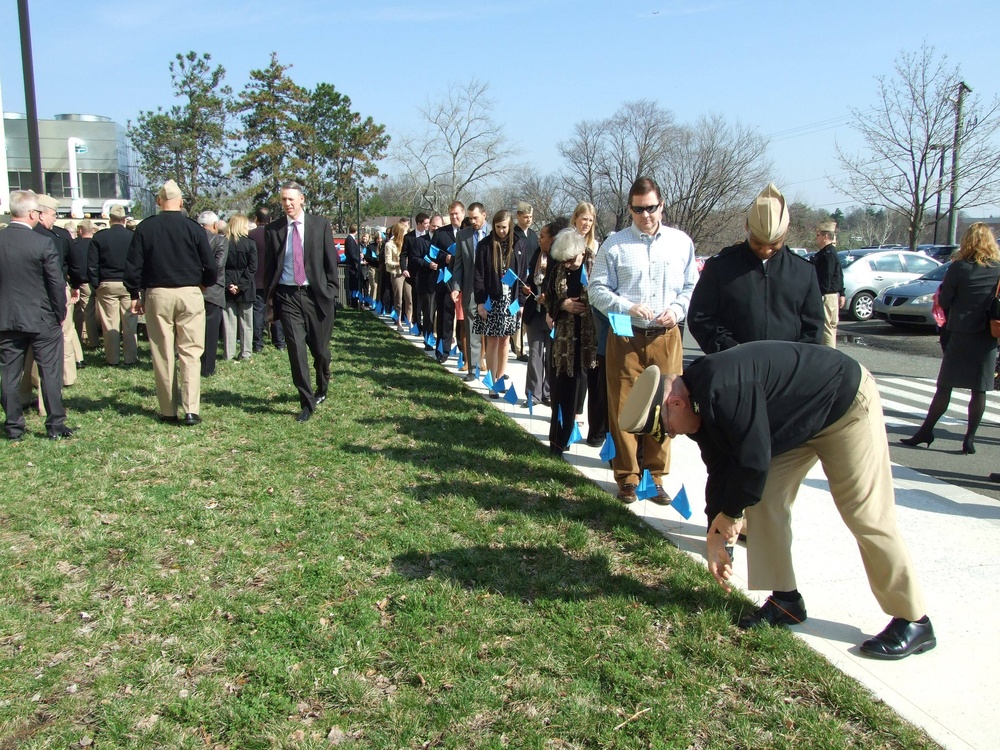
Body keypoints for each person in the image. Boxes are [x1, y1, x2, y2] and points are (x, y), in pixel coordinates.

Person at [619, 341, 936, 660]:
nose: (671, 436)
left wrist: (729, 516)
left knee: (865, 514)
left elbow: (753, 462)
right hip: (798, 421)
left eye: (667, 429)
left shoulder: (724, 390)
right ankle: (786, 601)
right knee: (764, 501)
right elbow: (721, 467)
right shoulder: (698, 400)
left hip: (843, 405)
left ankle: (914, 620)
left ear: (675, 403)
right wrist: (716, 534)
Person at [589, 176, 698, 504]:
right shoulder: (615, 245)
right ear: (630, 209)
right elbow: (596, 289)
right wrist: (626, 306)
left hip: (666, 335)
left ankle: (655, 477)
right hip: (625, 332)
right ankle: (627, 477)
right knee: (624, 407)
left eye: (651, 208)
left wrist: (677, 310)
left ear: (661, 205)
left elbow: (691, 287)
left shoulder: (681, 243)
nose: (646, 215)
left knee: (665, 407)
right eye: (638, 210)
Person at [687, 183, 823, 354]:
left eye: (774, 244)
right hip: (733, 366)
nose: (765, 250)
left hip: (786, 370)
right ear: (747, 227)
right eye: (757, 242)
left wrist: (795, 359)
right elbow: (700, 317)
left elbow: (814, 328)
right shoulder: (720, 267)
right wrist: (730, 349)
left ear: (786, 232)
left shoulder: (804, 271)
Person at [900, 222, 1000, 454]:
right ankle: (969, 439)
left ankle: (926, 431)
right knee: (979, 390)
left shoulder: (959, 267)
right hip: (987, 335)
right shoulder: (997, 268)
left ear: (967, 241)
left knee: (945, 386)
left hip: (960, 332)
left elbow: (944, 300)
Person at [124, 180, 216, 425]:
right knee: (190, 352)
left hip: (158, 294)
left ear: (158, 202)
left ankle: (167, 409)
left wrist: (135, 294)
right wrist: (204, 283)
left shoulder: (146, 228)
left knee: (162, 352)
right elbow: (211, 264)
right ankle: (191, 409)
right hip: (190, 293)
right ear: (182, 202)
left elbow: (133, 266)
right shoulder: (194, 228)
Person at [264, 181, 339, 422]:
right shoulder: (274, 230)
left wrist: (330, 290)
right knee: (296, 349)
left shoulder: (320, 225)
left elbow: (331, 261)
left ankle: (322, 387)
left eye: (290, 199)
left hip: (315, 296)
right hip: (287, 295)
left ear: (302, 199)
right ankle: (306, 402)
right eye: (283, 200)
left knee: (320, 351)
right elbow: (270, 266)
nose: (286, 204)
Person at [0, 190, 73, 440]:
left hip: (7, 317)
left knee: (9, 374)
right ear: (32, 214)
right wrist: (59, 311)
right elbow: (55, 282)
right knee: (49, 373)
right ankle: (55, 425)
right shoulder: (43, 243)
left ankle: (13, 426)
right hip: (42, 317)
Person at [544, 228, 600, 453]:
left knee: (596, 388)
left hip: (592, 338)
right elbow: (548, 297)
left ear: (581, 252)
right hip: (566, 340)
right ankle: (559, 441)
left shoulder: (596, 264)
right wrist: (562, 305)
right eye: (564, 262)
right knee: (564, 390)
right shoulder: (559, 267)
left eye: (570, 261)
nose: (567, 265)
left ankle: (597, 436)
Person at [473, 209, 529, 397]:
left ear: (510, 226)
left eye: (504, 227)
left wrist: (521, 302)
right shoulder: (484, 246)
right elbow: (479, 276)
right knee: (492, 341)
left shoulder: (519, 245)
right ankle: (491, 381)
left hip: (510, 300)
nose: (501, 231)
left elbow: (522, 277)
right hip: (492, 299)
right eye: (498, 227)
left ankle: (500, 378)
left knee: (506, 340)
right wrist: (480, 302)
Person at [570, 201, 606, 446]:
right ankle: (572, 421)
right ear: (575, 219)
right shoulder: (566, 242)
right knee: (575, 372)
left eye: (590, 220)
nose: (586, 223)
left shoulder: (598, 247)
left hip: (595, 317)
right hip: (572, 315)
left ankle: (597, 431)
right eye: (583, 218)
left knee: (595, 371)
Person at [523, 217, 568, 407]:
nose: (539, 239)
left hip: (552, 315)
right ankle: (533, 394)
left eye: (542, 236)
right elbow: (532, 280)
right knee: (534, 353)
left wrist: (548, 298)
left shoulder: (560, 260)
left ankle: (548, 393)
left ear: (553, 238)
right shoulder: (537, 254)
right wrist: (528, 287)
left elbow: (560, 288)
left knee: (551, 355)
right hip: (535, 312)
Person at [88, 205, 138, 366]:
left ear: (110, 220)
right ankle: (130, 357)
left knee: (110, 322)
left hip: (107, 283)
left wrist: (96, 284)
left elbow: (92, 264)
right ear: (124, 220)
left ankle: (112, 358)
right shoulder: (132, 237)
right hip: (128, 284)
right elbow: (138, 262)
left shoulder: (100, 237)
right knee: (130, 322)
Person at [450, 203, 489, 381]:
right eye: (471, 218)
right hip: (470, 288)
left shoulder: (495, 234)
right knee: (472, 328)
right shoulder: (463, 236)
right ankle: (473, 369)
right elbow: (458, 265)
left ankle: (495, 369)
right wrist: (456, 287)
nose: (473, 221)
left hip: (492, 289)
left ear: (484, 215)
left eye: (476, 218)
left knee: (494, 332)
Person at [432, 202, 465, 364]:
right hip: (445, 280)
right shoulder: (440, 233)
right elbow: (432, 253)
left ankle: (463, 351)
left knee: (463, 319)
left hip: (464, 282)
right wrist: (444, 258)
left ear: (463, 213)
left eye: (457, 213)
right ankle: (443, 351)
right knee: (445, 317)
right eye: (451, 214)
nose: (454, 216)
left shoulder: (468, 232)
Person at [223, 214, 258, 361]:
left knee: (229, 322)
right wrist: (241, 285)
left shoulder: (224, 243)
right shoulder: (250, 244)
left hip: (228, 287)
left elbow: (220, 266)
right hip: (246, 287)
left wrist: (229, 284)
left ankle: (229, 353)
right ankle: (246, 353)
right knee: (246, 322)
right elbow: (252, 267)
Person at [249, 207, 284, 353]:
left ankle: (258, 344)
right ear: (270, 219)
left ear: (256, 219)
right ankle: (279, 342)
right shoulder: (276, 234)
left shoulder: (250, 235)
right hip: (274, 278)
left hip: (256, 279)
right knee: (276, 311)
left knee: (257, 312)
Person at [198, 211, 228, 378]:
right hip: (213, 290)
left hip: (194, 288)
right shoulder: (220, 240)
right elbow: (218, 265)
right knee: (210, 332)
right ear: (216, 225)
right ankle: (208, 368)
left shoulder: (192, 238)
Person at [811, 220, 845, 347]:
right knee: (827, 328)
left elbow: (828, 277)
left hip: (826, 296)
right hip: (829, 295)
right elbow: (840, 275)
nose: (816, 238)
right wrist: (842, 293)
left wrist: (818, 295)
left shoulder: (828, 254)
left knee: (827, 330)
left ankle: (830, 357)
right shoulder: (828, 252)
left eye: (818, 235)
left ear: (825, 236)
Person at [512, 202, 540, 362]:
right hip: (517, 279)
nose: (528, 219)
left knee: (525, 313)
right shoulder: (514, 235)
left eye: (530, 217)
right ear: (518, 216)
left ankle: (518, 344)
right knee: (517, 312)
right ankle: (519, 349)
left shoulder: (533, 235)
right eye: (525, 216)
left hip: (531, 280)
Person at [73, 219, 100, 351]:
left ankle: (92, 341)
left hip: (84, 283)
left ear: (80, 230)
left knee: (87, 313)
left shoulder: (76, 245)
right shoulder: (97, 243)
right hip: (99, 282)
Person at [383, 222, 409, 332]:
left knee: (409, 298)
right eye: (405, 232)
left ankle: (409, 321)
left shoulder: (407, 243)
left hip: (408, 273)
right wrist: (401, 264)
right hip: (397, 273)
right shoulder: (389, 245)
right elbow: (388, 262)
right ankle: (398, 321)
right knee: (398, 299)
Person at [344, 225, 362, 309]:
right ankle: (353, 302)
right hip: (352, 265)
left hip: (353, 264)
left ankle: (355, 301)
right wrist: (358, 259)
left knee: (355, 284)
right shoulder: (350, 239)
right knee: (353, 284)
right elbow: (352, 252)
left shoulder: (351, 239)